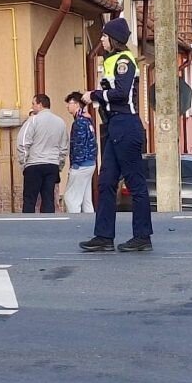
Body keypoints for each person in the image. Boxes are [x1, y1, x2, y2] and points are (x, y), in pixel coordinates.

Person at [79, 17, 153, 252]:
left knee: (135, 183)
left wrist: (94, 95)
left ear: (114, 39)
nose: (101, 39)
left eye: (104, 36)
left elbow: (121, 93)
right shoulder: (111, 60)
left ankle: (142, 236)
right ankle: (103, 236)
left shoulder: (124, 61)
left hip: (126, 125)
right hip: (114, 126)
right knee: (106, 182)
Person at [17, 94, 67, 213]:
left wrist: (23, 163)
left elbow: (22, 143)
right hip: (52, 164)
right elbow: (63, 147)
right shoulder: (60, 122)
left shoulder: (33, 120)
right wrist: (59, 165)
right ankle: (48, 222)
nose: (32, 106)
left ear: (40, 104)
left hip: (34, 164)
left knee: (30, 199)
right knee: (48, 198)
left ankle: (28, 222)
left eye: (33, 104)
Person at [63, 91, 97, 213]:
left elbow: (79, 145)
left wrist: (75, 165)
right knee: (86, 199)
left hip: (81, 164)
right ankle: (90, 220)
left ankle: (74, 221)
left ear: (77, 104)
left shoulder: (79, 122)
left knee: (71, 198)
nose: (67, 106)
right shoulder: (87, 120)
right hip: (90, 162)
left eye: (70, 103)